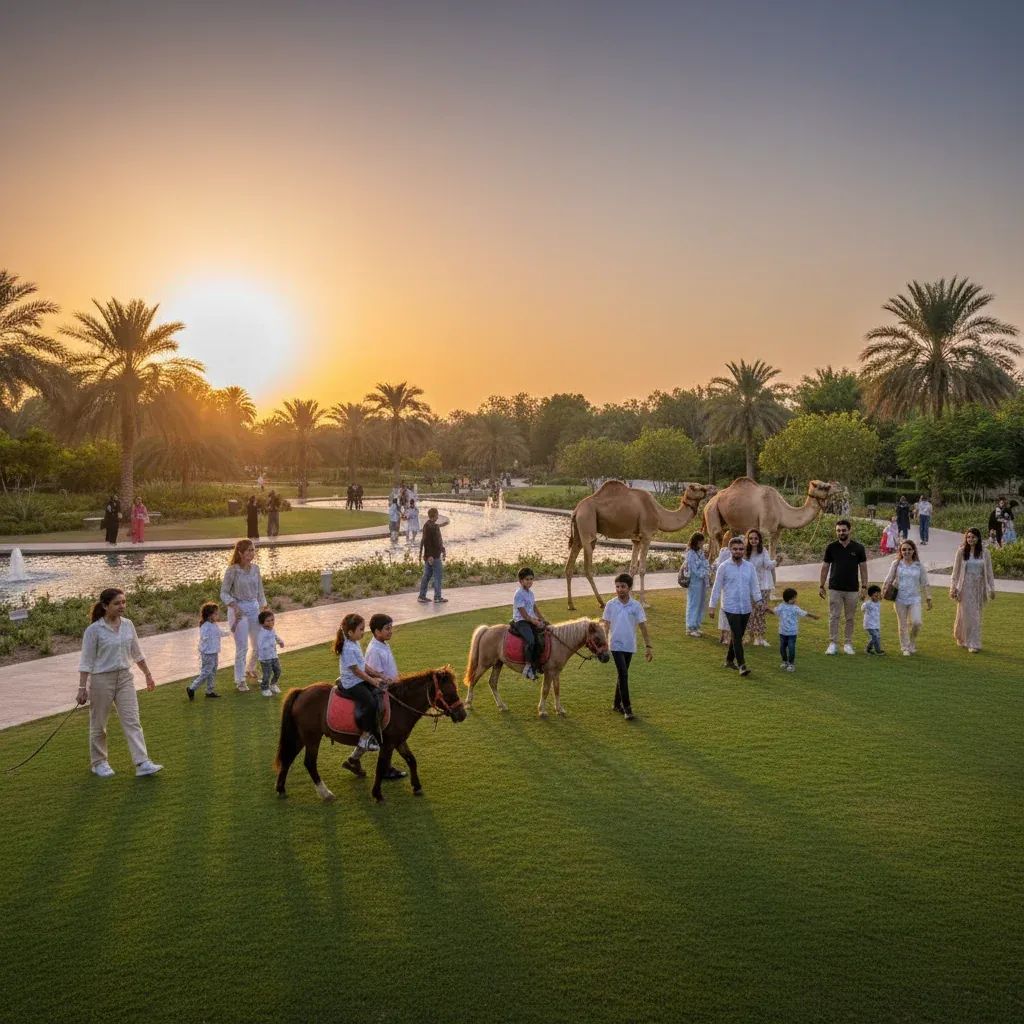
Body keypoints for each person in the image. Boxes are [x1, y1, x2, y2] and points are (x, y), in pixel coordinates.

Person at [76, 587, 162, 778]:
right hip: (101, 680)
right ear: (105, 606)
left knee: (132, 721)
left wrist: (148, 674)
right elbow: (86, 661)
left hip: (125, 678)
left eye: (124, 602)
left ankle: (142, 763)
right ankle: (99, 763)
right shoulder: (94, 630)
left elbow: (137, 653)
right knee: (99, 724)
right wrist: (82, 688)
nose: (122, 606)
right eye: (117, 603)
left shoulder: (128, 625)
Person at [356, 613, 407, 780]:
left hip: (392, 689)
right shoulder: (375, 651)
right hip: (385, 693)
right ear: (377, 631)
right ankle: (382, 764)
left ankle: (354, 759)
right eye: (387, 629)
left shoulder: (382, 644)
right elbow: (375, 677)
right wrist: (390, 684)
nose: (391, 631)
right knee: (388, 732)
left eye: (391, 628)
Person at [709, 536, 763, 677]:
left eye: (740, 549)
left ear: (744, 550)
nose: (738, 551)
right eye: (735, 549)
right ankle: (742, 665)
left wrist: (759, 601)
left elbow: (754, 586)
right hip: (730, 607)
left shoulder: (749, 567)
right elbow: (716, 587)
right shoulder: (724, 567)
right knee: (737, 636)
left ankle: (728, 660)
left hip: (745, 607)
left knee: (736, 635)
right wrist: (712, 605)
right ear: (730, 550)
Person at [601, 573, 652, 720]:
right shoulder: (611, 604)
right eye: (617, 586)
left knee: (621, 675)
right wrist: (604, 644)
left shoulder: (636, 606)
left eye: (623, 586)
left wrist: (648, 646)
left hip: (629, 645)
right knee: (623, 674)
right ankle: (627, 708)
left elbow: (643, 626)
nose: (619, 589)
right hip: (615, 645)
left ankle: (616, 704)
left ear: (629, 588)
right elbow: (606, 625)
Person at [334, 613, 387, 753]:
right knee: (370, 702)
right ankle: (364, 737)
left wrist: (379, 674)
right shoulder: (348, 648)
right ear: (351, 632)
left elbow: (363, 665)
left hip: (359, 678)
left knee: (379, 693)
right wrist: (374, 681)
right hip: (352, 683)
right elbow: (357, 671)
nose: (364, 632)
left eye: (363, 629)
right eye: (361, 630)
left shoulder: (354, 642)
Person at [220, 539, 267, 691]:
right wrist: (234, 605)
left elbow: (260, 591)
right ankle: (240, 680)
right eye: (248, 550)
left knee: (259, 643)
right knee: (242, 647)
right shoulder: (232, 570)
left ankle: (250, 668)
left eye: (253, 550)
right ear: (240, 552)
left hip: (254, 608)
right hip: (238, 611)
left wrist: (263, 607)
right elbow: (224, 592)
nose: (251, 553)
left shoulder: (256, 569)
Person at [819, 519, 868, 655]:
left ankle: (847, 643)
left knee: (850, 618)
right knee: (834, 616)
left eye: (843, 530)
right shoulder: (831, 547)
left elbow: (863, 568)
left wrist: (864, 586)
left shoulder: (858, 548)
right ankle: (833, 643)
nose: (841, 532)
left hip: (852, 589)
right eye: (838, 530)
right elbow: (825, 567)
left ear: (849, 530)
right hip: (835, 588)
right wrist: (821, 585)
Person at [949, 528, 996, 653]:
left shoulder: (985, 553)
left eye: (973, 537)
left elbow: (989, 572)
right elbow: (956, 572)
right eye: (968, 537)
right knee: (969, 615)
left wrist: (992, 588)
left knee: (974, 615)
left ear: (978, 538)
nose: (971, 539)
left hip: (979, 588)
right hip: (965, 587)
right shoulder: (961, 551)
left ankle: (962, 637)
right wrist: (953, 587)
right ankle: (972, 643)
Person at [882, 539, 932, 656]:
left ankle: (912, 642)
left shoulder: (919, 566)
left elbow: (925, 582)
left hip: (915, 599)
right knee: (903, 624)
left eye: (909, 549)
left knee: (917, 622)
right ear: (901, 551)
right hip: (900, 599)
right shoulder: (896, 564)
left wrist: (928, 598)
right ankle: (905, 647)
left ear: (913, 551)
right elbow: (889, 578)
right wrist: (882, 590)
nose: (906, 552)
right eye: (904, 549)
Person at [767, 587, 818, 672]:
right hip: (782, 632)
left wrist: (813, 616)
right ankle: (784, 661)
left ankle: (791, 664)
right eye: (794, 597)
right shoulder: (781, 606)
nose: (795, 599)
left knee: (791, 648)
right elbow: (775, 612)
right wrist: (767, 610)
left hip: (792, 633)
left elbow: (804, 613)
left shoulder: (795, 608)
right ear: (790, 599)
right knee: (782, 648)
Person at [187, 601, 228, 700]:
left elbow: (220, 633)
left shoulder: (214, 624)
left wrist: (230, 631)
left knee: (212, 671)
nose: (217, 615)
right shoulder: (205, 626)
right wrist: (207, 640)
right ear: (210, 615)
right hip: (207, 653)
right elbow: (204, 638)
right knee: (206, 672)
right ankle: (192, 688)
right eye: (216, 613)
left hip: (214, 652)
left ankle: (210, 691)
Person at [511, 567, 547, 680]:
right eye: (527, 579)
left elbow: (534, 608)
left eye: (531, 579)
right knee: (531, 640)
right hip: (521, 621)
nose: (530, 581)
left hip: (531, 619)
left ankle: (538, 664)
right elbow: (524, 615)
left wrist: (543, 619)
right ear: (521, 581)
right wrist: (536, 622)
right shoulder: (519, 594)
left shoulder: (530, 593)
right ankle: (527, 666)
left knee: (542, 637)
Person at [744, 528, 777, 648]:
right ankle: (749, 635)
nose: (753, 540)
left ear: (759, 540)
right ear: (747, 539)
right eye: (751, 538)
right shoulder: (745, 553)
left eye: (756, 538)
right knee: (749, 612)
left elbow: (768, 565)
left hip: (763, 586)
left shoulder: (763, 551)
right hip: (749, 587)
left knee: (760, 611)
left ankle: (760, 637)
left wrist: (776, 561)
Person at [682, 533, 710, 638]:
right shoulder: (690, 553)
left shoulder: (700, 552)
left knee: (701, 604)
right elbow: (694, 568)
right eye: (702, 541)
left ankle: (697, 625)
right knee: (693, 604)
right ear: (697, 541)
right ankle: (690, 627)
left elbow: (706, 564)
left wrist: (705, 570)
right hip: (694, 582)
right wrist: (704, 572)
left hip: (702, 582)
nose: (703, 543)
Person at [418, 508, 446, 603]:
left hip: (429, 556)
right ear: (434, 515)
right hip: (434, 556)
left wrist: (426, 555)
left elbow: (425, 541)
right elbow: (433, 542)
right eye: (437, 514)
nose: (438, 516)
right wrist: (432, 555)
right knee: (438, 576)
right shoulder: (433, 527)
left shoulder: (426, 525)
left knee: (426, 576)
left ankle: (422, 596)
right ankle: (437, 597)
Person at [256, 609, 285, 696]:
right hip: (265, 657)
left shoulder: (272, 630)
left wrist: (280, 641)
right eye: (268, 621)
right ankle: (264, 688)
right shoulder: (261, 633)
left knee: (278, 671)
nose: (271, 622)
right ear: (262, 623)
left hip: (274, 655)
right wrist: (269, 646)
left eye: (272, 620)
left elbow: (275, 636)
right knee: (267, 674)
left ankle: (273, 684)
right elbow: (260, 645)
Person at [862, 585, 885, 655]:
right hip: (869, 624)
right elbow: (862, 608)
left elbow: (881, 597)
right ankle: (878, 650)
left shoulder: (878, 603)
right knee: (876, 636)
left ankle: (868, 649)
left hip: (876, 624)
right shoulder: (868, 603)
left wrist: (880, 595)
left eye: (878, 596)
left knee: (875, 637)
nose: (877, 597)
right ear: (871, 596)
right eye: (875, 596)